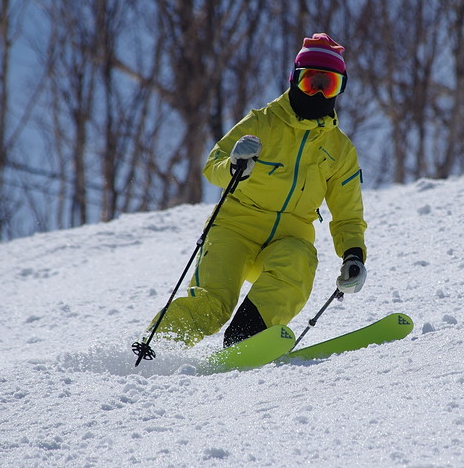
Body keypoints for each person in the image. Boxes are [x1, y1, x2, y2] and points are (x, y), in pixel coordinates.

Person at [145, 33, 367, 348]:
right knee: (213, 304)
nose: (317, 93)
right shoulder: (261, 123)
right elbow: (213, 165)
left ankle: (245, 338)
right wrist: (235, 165)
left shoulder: (339, 149)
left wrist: (353, 254)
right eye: (310, 83)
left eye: (327, 85)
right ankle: (156, 347)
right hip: (234, 230)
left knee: (300, 259)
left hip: (287, 239)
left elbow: (348, 212)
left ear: (340, 89)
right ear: (294, 79)